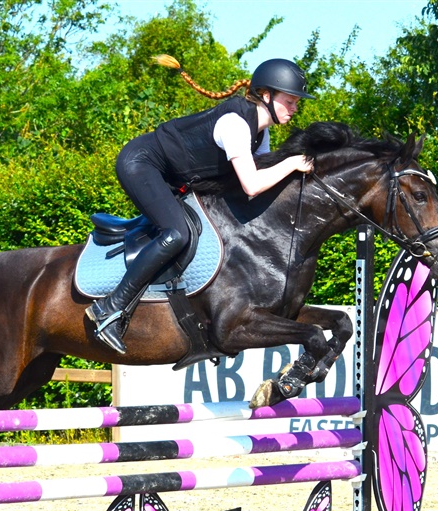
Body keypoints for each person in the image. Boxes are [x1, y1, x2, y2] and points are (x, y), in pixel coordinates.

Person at [86, 55, 314, 354]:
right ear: (266, 96)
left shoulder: (261, 134)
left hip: (172, 177)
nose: (295, 107)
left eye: (297, 102)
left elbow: (256, 184)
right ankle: (109, 308)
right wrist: (292, 163)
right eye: (290, 100)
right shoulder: (236, 125)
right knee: (176, 233)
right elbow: (252, 184)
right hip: (141, 164)